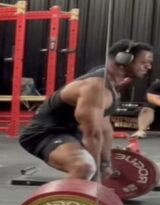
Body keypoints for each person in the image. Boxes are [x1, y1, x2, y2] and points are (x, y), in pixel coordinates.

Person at [18, 39, 153, 180]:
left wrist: (106, 164)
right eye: (144, 62)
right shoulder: (95, 88)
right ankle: (68, 201)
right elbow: (92, 134)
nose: (148, 66)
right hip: (46, 134)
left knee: (97, 165)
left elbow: (105, 128)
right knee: (85, 167)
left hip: (73, 133)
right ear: (123, 60)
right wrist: (96, 176)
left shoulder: (111, 84)